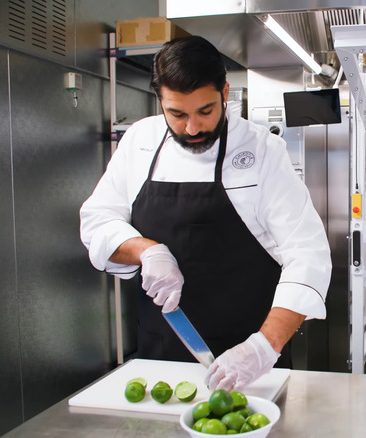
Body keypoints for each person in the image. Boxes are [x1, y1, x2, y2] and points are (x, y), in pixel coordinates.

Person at [79, 35, 331, 391]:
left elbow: (308, 255)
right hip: (160, 358)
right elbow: (96, 223)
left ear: (225, 93)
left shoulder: (262, 151)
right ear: (160, 101)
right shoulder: (139, 142)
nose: (192, 128)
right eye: (177, 114)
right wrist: (146, 250)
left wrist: (265, 346)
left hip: (249, 361)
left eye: (206, 111)